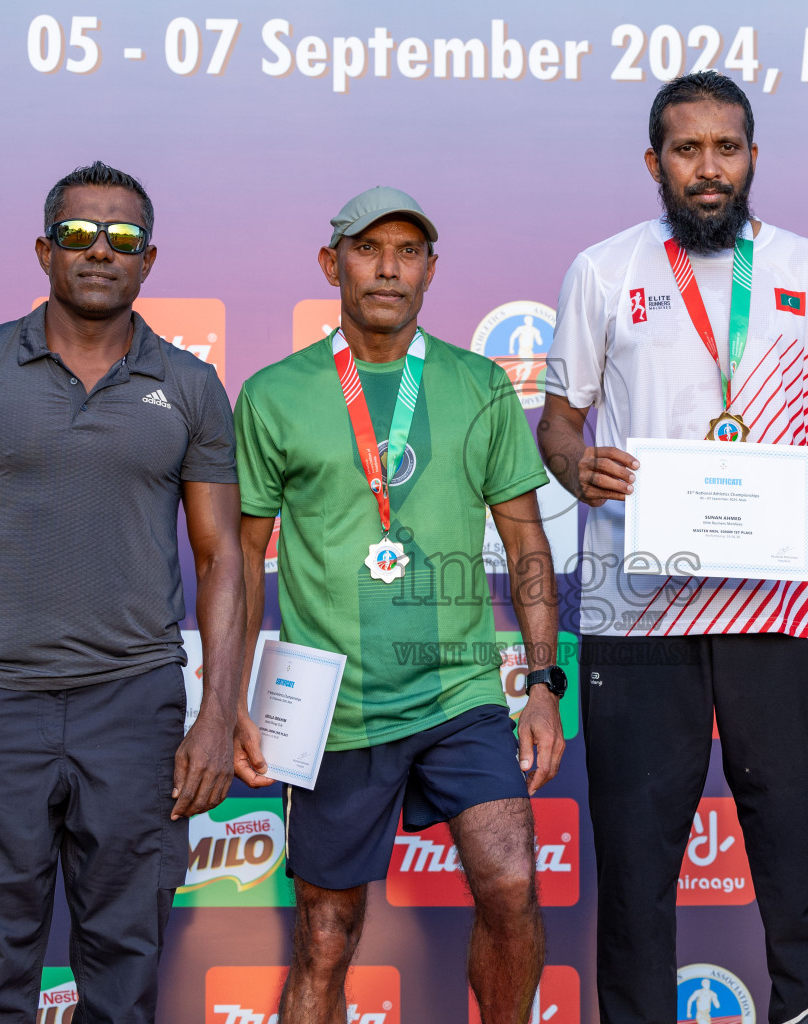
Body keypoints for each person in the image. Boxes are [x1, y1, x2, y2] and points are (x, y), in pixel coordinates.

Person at [538, 71, 808, 1024]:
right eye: (688, 149)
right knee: (637, 864)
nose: (709, 167)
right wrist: (580, 467)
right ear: (655, 164)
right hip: (638, 606)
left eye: (727, 147)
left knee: (797, 848)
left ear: (754, 157)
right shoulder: (604, 270)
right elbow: (559, 427)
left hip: (781, 605)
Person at [0, 161, 246, 1022]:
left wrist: (216, 713)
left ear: (148, 260)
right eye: (79, 233)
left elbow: (222, 557)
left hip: (135, 707)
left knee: (124, 973)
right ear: (44, 249)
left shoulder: (191, 387)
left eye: (121, 238)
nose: (99, 250)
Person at [233, 187, 567, 1024]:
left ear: (430, 270)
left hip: (460, 693)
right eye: (367, 247)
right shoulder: (275, 394)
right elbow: (237, 555)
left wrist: (541, 684)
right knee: (324, 933)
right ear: (331, 263)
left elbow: (527, 540)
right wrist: (232, 700)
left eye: (408, 250)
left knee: (513, 884)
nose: (388, 266)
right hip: (336, 703)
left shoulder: (479, 382)